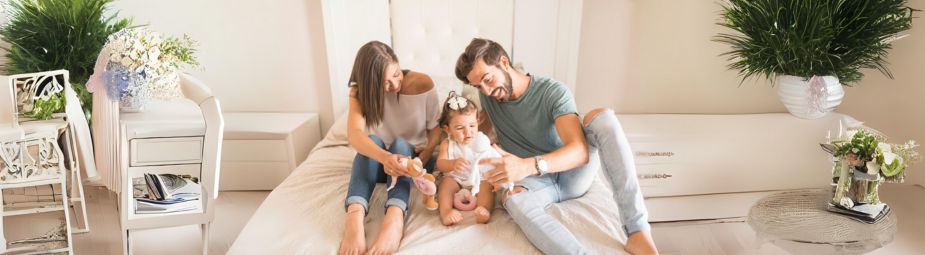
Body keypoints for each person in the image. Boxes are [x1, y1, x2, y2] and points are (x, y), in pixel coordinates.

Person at [454, 38, 660, 255]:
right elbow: (480, 133)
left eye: (487, 79)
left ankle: (637, 231)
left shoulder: (552, 92)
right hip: (534, 184)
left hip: (571, 174)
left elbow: (580, 152)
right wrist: (470, 159)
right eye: (478, 86)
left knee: (602, 119)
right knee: (512, 199)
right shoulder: (487, 96)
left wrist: (527, 166)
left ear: (504, 63)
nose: (485, 91)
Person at [339, 41, 442, 255]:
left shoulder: (423, 83)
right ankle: (355, 218)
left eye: (396, 74)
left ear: (398, 62)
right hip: (382, 163)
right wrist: (386, 158)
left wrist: (427, 151)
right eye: (384, 83)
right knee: (372, 141)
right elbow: (355, 134)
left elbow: (436, 129)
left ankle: (394, 217)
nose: (394, 85)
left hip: (414, 164)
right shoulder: (359, 93)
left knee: (401, 144)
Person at [433, 91, 501, 226]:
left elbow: (492, 159)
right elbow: (440, 164)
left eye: (472, 126)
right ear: (447, 129)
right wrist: (452, 164)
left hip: (479, 177)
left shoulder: (481, 140)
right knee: (445, 185)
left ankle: (484, 210)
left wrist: (497, 179)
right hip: (456, 178)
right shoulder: (448, 143)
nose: (467, 132)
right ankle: (446, 212)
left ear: (477, 122)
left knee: (486, 187)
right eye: (459, 128)